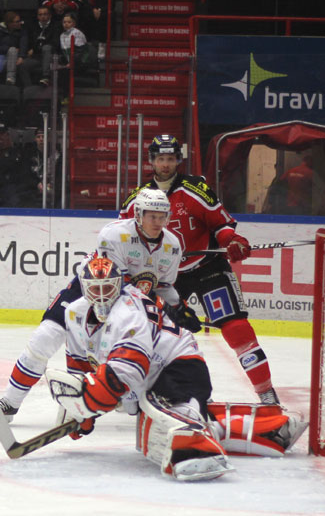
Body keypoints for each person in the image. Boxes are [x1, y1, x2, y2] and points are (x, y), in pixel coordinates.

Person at [42, 257, 305, 481]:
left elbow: (131, 369)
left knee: (163, 417)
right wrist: (79, 407)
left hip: (179, 365)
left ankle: (199, 451)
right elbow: (79, 363)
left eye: (108, 288)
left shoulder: (129, 311)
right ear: (83, 288)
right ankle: (269, 430)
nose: (101, 296)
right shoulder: (74, 313)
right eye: (95, 289)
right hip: (152, 375)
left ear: (119, 285)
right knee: (150, 427)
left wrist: (92, 399)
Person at [0, 188, 188, 423]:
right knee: (44, 338)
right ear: (138, 215)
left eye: (162, 216)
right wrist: (161, 304)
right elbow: (117, 282)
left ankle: (136, 398)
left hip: (131, 304)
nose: (158, 222)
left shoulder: (173, 245)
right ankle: (10, 402)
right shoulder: (115, 234)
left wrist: (178, 307)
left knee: (144, 348)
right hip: (90, 289)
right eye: (152, 216)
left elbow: (164, 286)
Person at [120, 134, 281, 405]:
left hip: (207, 268)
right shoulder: (137, 198)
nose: (165, 164)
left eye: (170, 158)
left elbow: (221, 224)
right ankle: (154, 393)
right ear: (152, 161)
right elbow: (125, 237)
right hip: (166, 277)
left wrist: (231, 240)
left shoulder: (195, 189)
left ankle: (266, 393)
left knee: (236, 327)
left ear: (178, 160)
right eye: (161, 159)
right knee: (153, 332)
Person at [0, 11, 34, 86]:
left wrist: (21, 57)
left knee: (14, 53)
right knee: (12, 50)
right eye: (17, 22)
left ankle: (10, 79)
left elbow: (24, 44)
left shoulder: (22, 31)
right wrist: (8, 49)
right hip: (0, 58)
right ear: (9, 23)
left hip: (16, 58)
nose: (20, 23)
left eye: (20, 21)